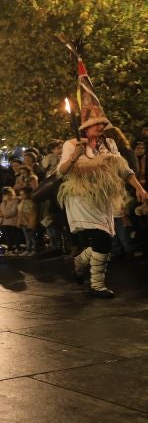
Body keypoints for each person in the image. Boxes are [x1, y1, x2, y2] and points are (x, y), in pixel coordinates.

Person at [57, 61, 147, 296]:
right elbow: (61, 171)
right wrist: (76, 154)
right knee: (102, 242)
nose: (100, 126)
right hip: (80, 198)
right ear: (85, 128)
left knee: (103, 240)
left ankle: (79, 263)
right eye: (95, 124)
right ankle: (97, 285)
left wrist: (138, 187)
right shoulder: (72, 144)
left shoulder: (110, 144)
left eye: (101, 123)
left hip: (103, 199)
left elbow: (122, 167)